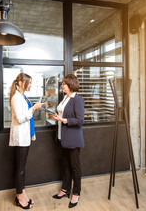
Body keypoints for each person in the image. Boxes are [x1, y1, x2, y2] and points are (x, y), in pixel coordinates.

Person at [9, 73, 44, 209]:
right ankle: (19, 197)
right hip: (20, 137)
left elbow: (26, 113)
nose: (30, 85)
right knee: (20, 169)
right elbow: (21, 118)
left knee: (22, 168)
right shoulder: (16, 98)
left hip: (26, 136)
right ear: (21, 83)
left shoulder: (23, 96)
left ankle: (22, 193)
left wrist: (33, 108)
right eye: (29, 83)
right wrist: (33, 108)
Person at [50, 74, 85, 209]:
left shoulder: (77, 99)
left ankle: (76, 192)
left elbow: (80, 121)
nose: (62, 86)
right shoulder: (65, 98)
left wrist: (63, 120)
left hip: (73, 139)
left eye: (64, 84)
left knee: (75, 167)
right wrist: (57, 117)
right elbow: (63, 115)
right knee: (65, 165)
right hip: (62, 137)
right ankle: (65, 189)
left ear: (70, 85)